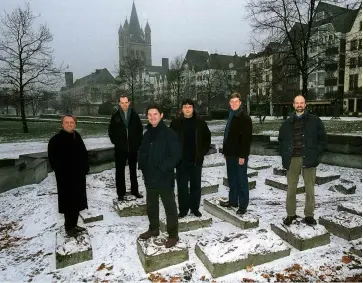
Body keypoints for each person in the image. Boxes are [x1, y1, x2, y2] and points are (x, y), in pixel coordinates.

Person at [278, 94, 326, 226]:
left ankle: (309, 215)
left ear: (305, 104)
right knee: (291, 188)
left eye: (302, 103)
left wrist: (316, 154)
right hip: (292, 159)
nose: (299, 105)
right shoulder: (287, 123)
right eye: (297, 103)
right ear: (293, 105)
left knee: (310, 188)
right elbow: (281, 141)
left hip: (309, 158)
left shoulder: (315, 121)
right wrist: (284, 154)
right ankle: (290, 214)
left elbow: (322, 139)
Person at [138, 104, 181, 248]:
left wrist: (162, 168)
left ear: (161, 115)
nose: (152, 117)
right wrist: (144, 168)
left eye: (155, 114)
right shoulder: (147, 134)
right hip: (150, 177)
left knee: (169, 207)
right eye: (149, 114)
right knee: (151, 206)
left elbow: (176, 156)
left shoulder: (170, 134)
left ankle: (173, 235)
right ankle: (153, 229)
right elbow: (142, 153)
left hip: (164, 177)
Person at [48, 115, 89, 237]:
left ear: (75, 124)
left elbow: (84, 154)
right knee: (68, 202)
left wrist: (84, 169)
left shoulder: (77, 137)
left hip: (78, 176)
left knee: (77, 201)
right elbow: (53, 160)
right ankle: (68, 227)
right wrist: (63, 173)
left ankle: (74, 224)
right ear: (62, 124)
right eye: (67, 122)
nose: (69, 124)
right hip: (65, 178)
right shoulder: (55, 140)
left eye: (72, 122)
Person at [170, 99, 211, 218]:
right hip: (181, 162)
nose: (187, 108)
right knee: (182, 187)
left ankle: (195, 208)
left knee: (195, 186)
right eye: (185, 106)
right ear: (182, 109)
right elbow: (171, 141)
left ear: (193, 108)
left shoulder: (200, 122)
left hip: (196, 161)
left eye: (189, 106)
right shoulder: (176, 123)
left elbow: (207, 138)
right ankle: (183, 210)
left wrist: (202, 152)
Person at [220, 93, 252, 215]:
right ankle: (233, 201)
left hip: (239, 156)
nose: (234, 104)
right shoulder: (231, 115)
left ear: (240, 103)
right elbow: (227, 135)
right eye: (232, 102)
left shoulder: (244, 118)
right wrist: (225, 151)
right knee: (232, 179)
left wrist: (242, 156)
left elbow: (246, 140)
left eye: (236, 101)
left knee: (241, 180)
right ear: (229, 103)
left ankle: (243, 205)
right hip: (230, 154)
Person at [108, 95, 143, 201]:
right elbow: (111, 131)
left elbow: (139, 130)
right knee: (120, 171)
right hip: (120, 149)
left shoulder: (134, 115)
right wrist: (116, 142)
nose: (124, 105)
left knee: (133, 171)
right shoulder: (115, 116)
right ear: (119, 103)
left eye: (126, 102)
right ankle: (120, 193)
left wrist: (137, 144)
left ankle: (135, 191)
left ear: (129, 103)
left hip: (132, 148)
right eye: (122, 103)